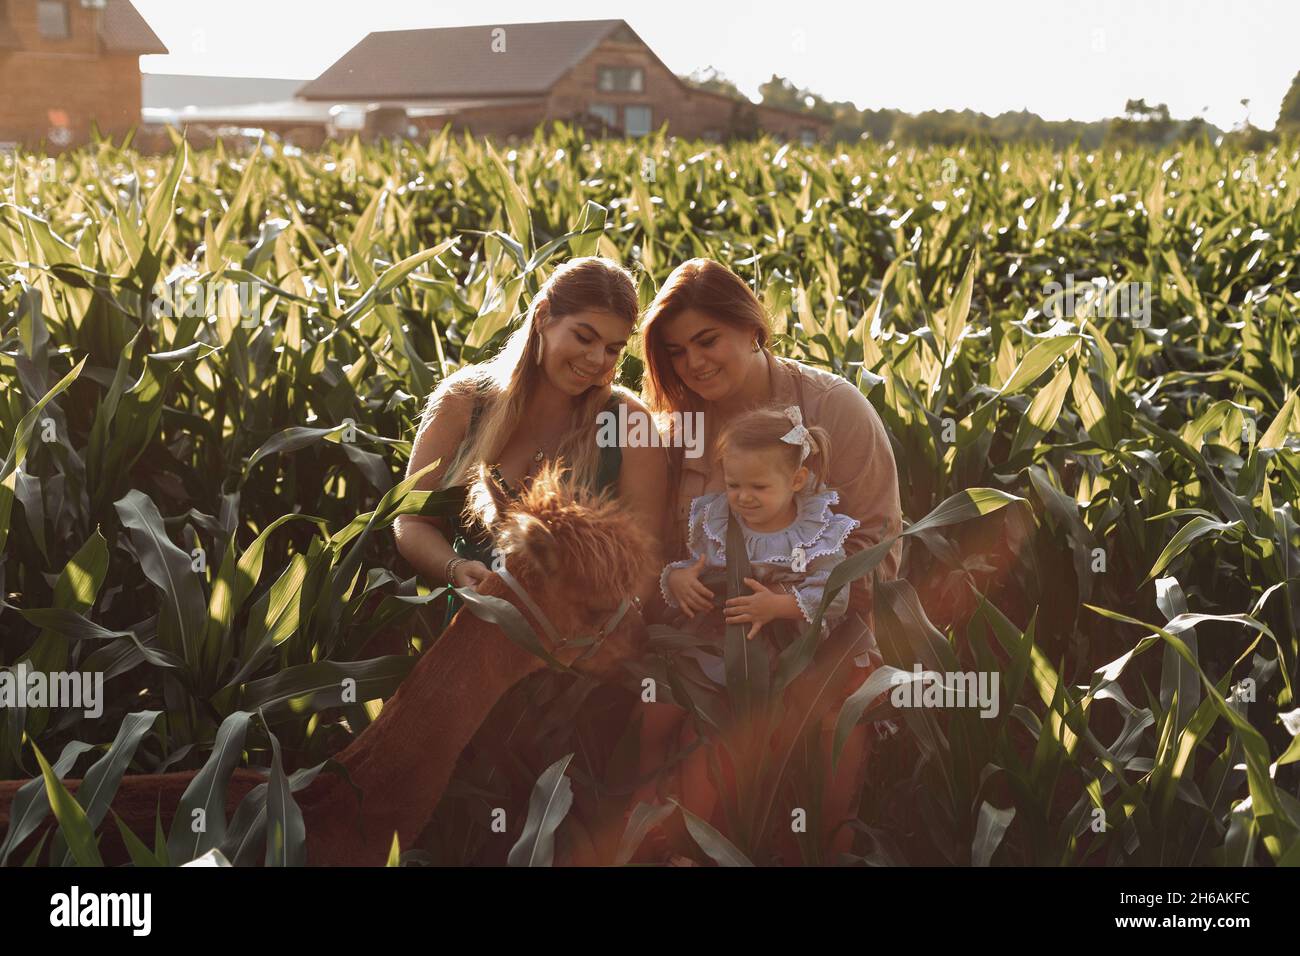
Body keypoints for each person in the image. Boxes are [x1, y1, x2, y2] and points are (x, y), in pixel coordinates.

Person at [636, 257, 902, 858]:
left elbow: (876, 549)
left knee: (831, 723)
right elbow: (663, 545)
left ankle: (828, 847)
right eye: (676, 352)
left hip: (822, 624)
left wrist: (792, 611)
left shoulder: (834, 409)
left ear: (753, 327)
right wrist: (678, 585)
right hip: (712, 627)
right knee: (655, 703)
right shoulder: (677, 427)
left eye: (708, 340)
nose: (694, 363)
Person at [393, 256, 666, 612]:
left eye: (613, 348)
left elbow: (647, 561)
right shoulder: (463, 402)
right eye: (584, 337)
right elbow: (411, 520)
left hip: (578, 639)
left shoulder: (628, 423)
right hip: (476, 625)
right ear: (543, 317)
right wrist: (454, 567)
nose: (597, 359)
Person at [660, 404, 859, 638]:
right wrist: (678, 579)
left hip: (794, 650)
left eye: (759, 487)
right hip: (725, 643)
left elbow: (835, 596)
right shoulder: (719, 523)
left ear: (796, 480)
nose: (743, 497)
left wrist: (776, 606)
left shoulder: (815, 532)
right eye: (733, 485)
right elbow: (699, 565)